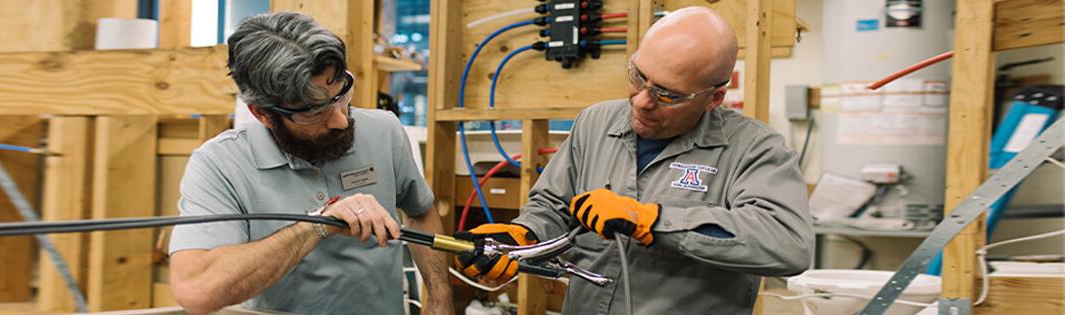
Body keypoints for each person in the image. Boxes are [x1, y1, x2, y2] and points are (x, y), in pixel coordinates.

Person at [453, 7, 814, 314]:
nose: (642, 101)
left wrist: (652, 220)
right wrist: (521, 235)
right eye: (639, 76)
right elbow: (553, 206)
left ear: (714, 97)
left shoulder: (754, 149)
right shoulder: (595, 123)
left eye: (667, 94)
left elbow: (787, 244)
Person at [168, 12, 450, 315]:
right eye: (314, 112)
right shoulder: (219, 165)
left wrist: (439, 294)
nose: (341, 120)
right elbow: (197, 291)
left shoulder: (384, 130)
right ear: (262, 114)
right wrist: (316, 225)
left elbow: (420, 212)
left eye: (342, 93)